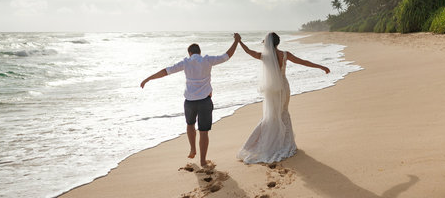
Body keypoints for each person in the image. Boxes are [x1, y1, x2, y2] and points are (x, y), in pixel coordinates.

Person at [140, 34, 240, 167]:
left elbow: (166, 71)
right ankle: (203, 160)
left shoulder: (185, 62)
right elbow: (227, 56)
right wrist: (236, 41)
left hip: (189, 102)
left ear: (189, 53)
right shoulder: (207, 60)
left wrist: (148, 79)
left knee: (190, 124)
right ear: (200, 52)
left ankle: (192, 148)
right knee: (203, 132)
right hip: (205, 101)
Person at [236, 32, 330, 164]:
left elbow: (249, 52)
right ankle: (285, 144)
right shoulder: (285, 54)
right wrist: (321, 66)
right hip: (284, 88)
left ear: (268, 43)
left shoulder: (263, 56)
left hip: (271, 91)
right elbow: (303, 62)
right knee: (283, 113)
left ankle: (265, 145)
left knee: (270, 116)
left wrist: (239, 41)